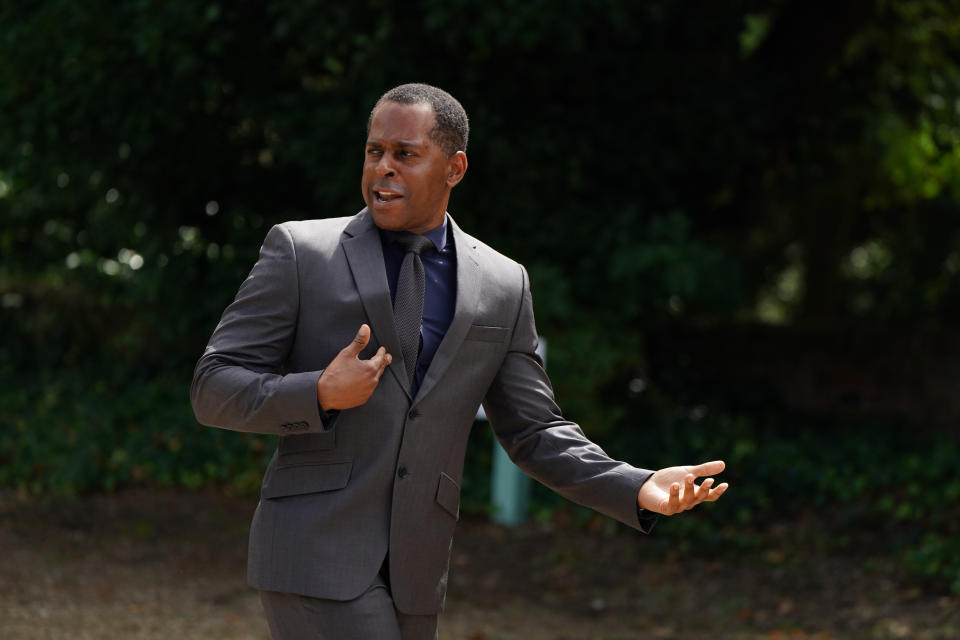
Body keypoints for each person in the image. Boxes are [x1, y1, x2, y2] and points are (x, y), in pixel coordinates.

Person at [191, 83, 728, 640]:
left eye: (406, 154)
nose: (384, 169)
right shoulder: (302, 253)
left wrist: (634, 485)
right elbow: (213, 386)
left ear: (455, 167)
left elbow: (535, 429)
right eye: (375, 152)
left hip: (417, 569)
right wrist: (319, 394)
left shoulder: (502, 283)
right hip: (312, 551)